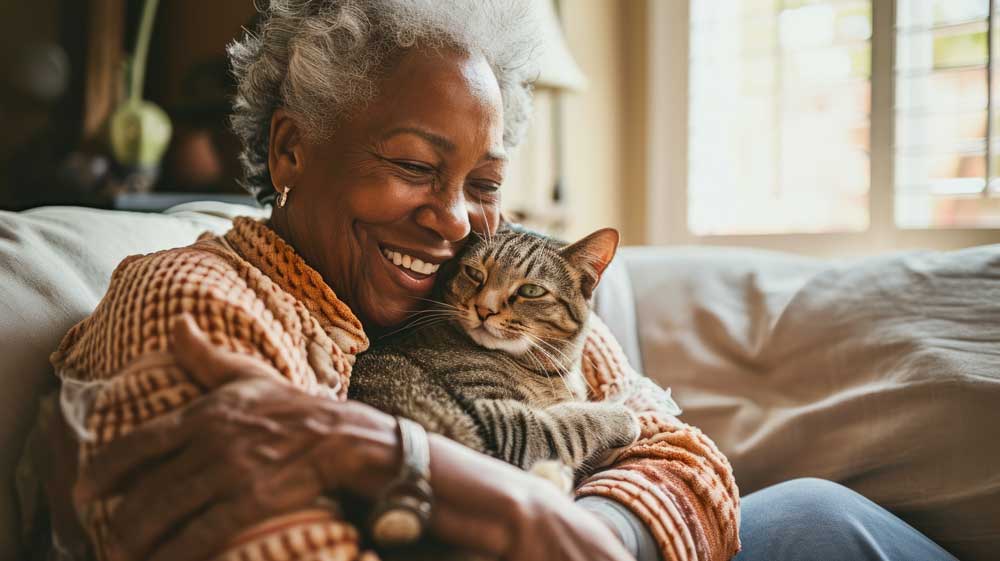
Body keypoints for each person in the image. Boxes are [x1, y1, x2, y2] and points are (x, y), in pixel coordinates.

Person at [39, 2, 958, 561]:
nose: (452, 219)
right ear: (291, 147)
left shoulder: (483, 279)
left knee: (820, 514)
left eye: (482, 184)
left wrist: (571, 533)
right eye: (411, 164)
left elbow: (683, 456)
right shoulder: (197, 301)